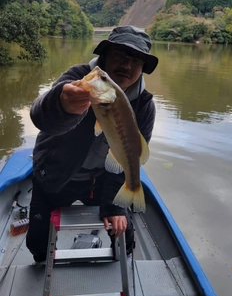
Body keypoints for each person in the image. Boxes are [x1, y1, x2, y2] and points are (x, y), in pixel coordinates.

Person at [26, 25, 158, 264]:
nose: (127, 66)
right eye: (120, 54)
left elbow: (131, 158)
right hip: (55, 175)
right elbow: (40, 118)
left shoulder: (144, 105)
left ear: (143, 68)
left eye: (136, 60)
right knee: (37, 243)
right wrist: (63, 106)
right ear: (105, 56)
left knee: (124, 237)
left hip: (102, 179)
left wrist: (114, 207)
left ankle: (120, 248)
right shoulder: (79, 79)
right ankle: (40, 263)